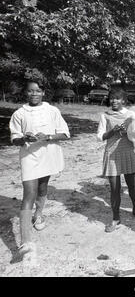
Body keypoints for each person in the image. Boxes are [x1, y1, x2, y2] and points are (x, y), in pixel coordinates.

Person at [9, 81, 70, 262]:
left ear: (43, 92)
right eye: (30, 91)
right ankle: (26, 243)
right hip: (29, 157)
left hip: (48, 154)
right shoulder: (19, 113)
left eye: (37, 91)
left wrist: (48, 136)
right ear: (25, 93)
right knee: (29, 193)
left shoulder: (52, 111)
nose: (34, 94)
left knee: (43, 188)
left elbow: (65, 133)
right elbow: (14, 139)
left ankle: (38, 214)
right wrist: (23, 138)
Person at [97, 87, 135, 233]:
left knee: (132, 185)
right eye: (112, 98)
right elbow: (99, 137)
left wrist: (129, 131)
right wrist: (112, 131)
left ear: (124, 100)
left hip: (127, 152)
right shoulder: (105, 115)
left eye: (118, 98)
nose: (114, 100)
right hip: (111, 154)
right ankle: (116, 217)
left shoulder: (131, 114)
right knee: (114, 188)